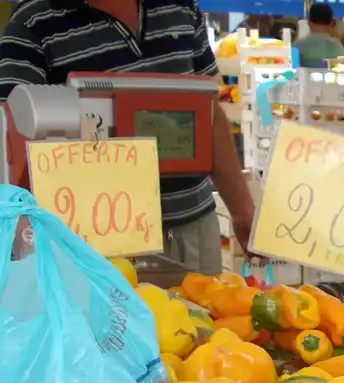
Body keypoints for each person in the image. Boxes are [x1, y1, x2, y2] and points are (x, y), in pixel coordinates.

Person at [0, 0, 253, 276]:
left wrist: (243, 211)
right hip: (93, 242)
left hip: (193, 227)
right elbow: (13, 140)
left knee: (208, 305)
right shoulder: (33, 22)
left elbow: (209, 112)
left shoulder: (181, 8)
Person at [294, 3, 344, 68]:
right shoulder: (338, 48)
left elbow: (292, 69)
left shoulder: (298, 46)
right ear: (331, 23)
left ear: (309, 22)